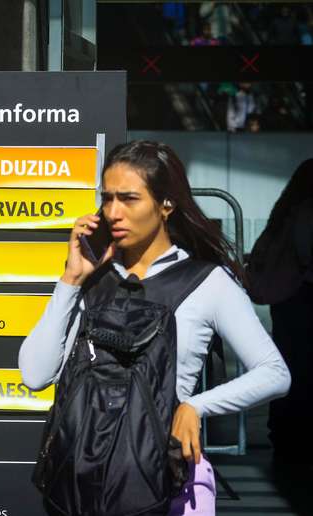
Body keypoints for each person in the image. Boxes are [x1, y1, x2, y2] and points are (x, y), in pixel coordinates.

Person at [19, 140, 291, 515]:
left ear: (166, 204)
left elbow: (275, 373)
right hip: (75, 488)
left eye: (129, 199)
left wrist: (195, 406)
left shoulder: (207, 282)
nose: (113, 212)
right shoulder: (93, 279)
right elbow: (35, 375)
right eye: (107, 198)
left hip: (161, 486)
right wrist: (70, 280)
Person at [247, 159, 313, 466]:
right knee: (302, 369)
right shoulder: (306, 210)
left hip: (287, 298)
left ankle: (285, 430)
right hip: (303, 296)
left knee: (290, 363)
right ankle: (294, 433)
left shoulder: (286, 211)